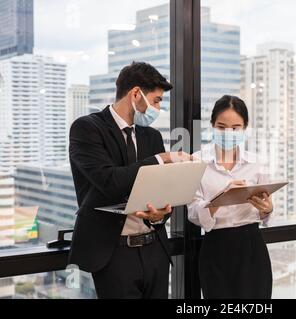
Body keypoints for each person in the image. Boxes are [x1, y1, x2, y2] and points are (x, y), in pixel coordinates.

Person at [69, 61, 191, 299]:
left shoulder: (152, 136)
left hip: (155, 249)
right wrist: (160, 159)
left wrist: (161, 215)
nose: (157, 108)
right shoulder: (86, 128)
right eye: (156, 101)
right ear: (136, 94)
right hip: (114, 253)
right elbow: (109, 180)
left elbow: (160, 189)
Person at [188, 95, 274, 299]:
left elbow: (265, 214)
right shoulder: (196, 162)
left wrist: (267, 209)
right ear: (211, 125)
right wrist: (220, 197)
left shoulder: (257, 162)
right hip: (215, 247)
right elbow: (193, 213)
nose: (229, 132)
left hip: (251, 246)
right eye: (221, 126)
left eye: (236, 127)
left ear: (245, 127)